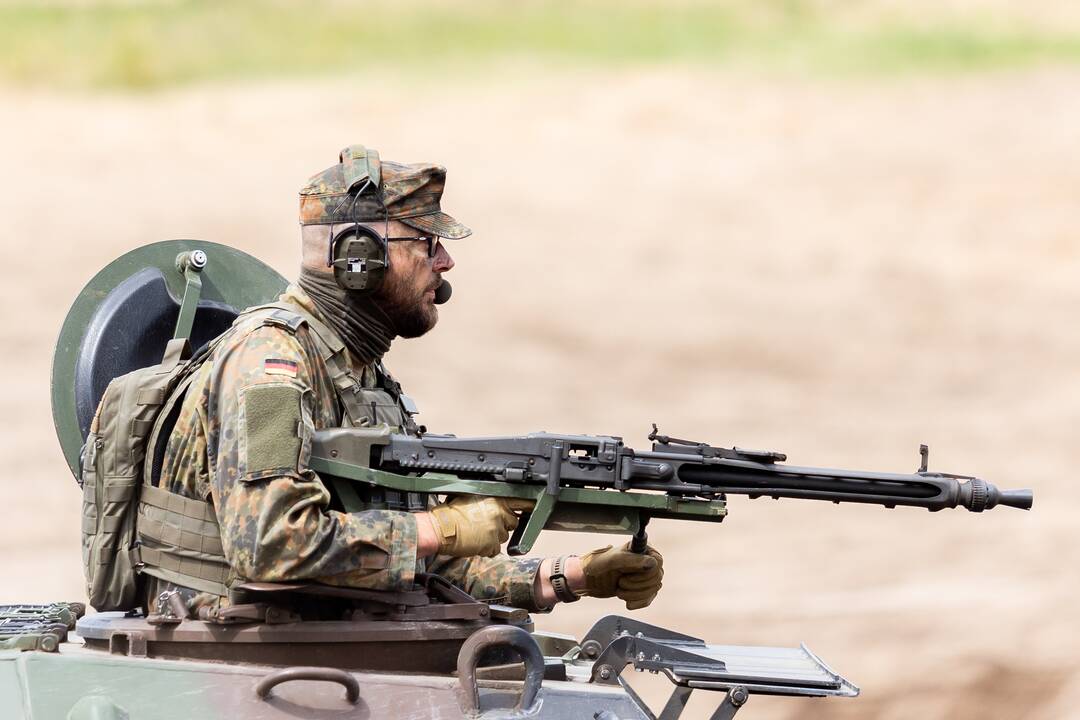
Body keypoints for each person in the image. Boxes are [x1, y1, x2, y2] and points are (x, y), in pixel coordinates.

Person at [141, 145, 663, 617]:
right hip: (230, 655)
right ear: (358, 259)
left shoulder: (363, 377)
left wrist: (571, 576)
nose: (445, 262)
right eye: (426, 242)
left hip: (317, 637)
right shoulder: (270, 365)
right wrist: (441, 529)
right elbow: (271, 544)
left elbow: (409, 567)